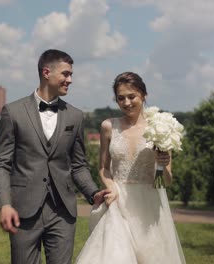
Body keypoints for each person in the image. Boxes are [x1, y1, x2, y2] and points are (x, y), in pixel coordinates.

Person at [0, 49, 106, 264]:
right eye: (65, 74)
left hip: (63, 213)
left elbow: (79, 165)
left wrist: (94, 193)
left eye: (70, 74)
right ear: (47, 72)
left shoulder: (75, 116)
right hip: (23, 212)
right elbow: (1, 164)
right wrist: (5, 205)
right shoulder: (13, 112)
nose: (70, 80)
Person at [75, 72, 186, 264]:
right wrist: (111, 188)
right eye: (120, 98)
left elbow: (166, 180)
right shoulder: (108, 126)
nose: (126, 103)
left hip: (149, 204)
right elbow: (103, 168)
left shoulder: (160, 127)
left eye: (131, 96)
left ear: (144, 95)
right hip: (118, 201)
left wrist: (162, 162)